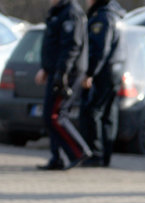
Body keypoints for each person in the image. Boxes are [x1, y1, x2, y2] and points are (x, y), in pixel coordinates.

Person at [35, 0, 91, 170]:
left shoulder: (71, 12)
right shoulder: (58, 11)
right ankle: (57, 158)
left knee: (55, 116)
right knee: (51, 116)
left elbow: (72, 46)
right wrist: (47, 69)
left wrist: (62, 73)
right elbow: (53, 44)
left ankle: (79, 152)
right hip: (57, 71)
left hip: (67, 73)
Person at [79, 0, 125, 167]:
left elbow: (100, 50)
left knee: (94, 111)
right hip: (115, 69)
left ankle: (96, 154)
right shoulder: (115, 14)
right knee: (108, 115)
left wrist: (89, 73)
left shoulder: (103, 17)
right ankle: (104, 156)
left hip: (104, 72)